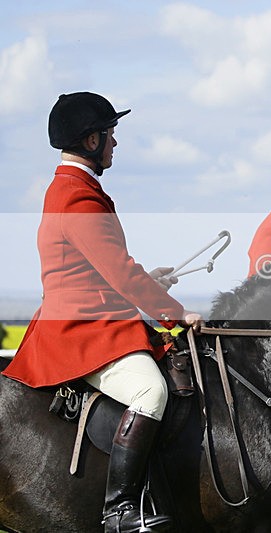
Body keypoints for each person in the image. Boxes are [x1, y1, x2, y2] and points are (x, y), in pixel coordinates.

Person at [1, 92, 202, 533]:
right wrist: (174, 314)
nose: (116, 143)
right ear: (92, 140)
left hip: (95, 315)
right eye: (112, 135)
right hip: (82, 329)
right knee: (151, 392)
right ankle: (121, 509)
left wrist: (151, 279)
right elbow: (117, 271)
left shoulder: (76, 189)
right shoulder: (77, 196)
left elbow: (101, 269)